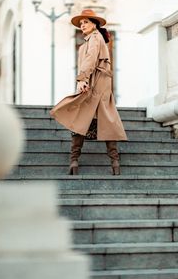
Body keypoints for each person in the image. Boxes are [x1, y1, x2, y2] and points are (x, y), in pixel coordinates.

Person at [50, 9, 127, 175]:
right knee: (105, 121)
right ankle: (114, 163)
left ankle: (74, 161)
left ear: (94, 24)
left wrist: (82, 79)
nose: (82, 25)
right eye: (81, 23)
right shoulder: (92, 40)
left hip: (94, 84)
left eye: (86, 22)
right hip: (100, 85)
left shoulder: (94, 37)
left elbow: (91, 58)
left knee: (81, 118)